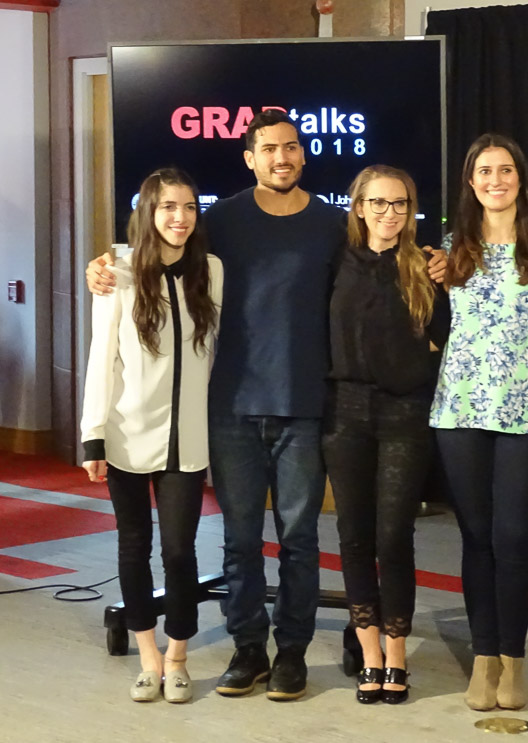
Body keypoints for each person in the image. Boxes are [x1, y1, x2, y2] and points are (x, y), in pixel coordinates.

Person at [86, 109, 447, 701]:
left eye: (291, 147)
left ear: (303, 155)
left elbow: (388, 255)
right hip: (227, 408)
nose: (282, 157)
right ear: (250, 158)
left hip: (307, 408)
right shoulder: (219, 220)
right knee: (240, 541)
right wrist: (106, 264)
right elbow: (158, 250)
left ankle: (293, 653)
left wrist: (432, 260)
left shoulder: (335, 226)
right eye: (269, 149)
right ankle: (248, 647)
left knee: (301, 539)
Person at [429, 133, 528, 711]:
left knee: (514, 537)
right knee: (476, 536)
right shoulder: (451, 246)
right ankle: (483, 655)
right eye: (484, 171)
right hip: (461, 407)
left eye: (505, 170)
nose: (495, 180)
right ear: (470, 181)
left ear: (520, 178)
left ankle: (513, 659)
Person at [81, 168, 223, 703]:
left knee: (180, 551)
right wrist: (93, 434)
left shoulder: (211, 271)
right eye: (168, 207)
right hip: (124, 436)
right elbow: (102, 357)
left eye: (188, 207)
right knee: (133, 545)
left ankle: (179, 654)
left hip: (185, 440)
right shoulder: (115, 269)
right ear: (148, 212)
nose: (179, 217)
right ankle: (148, 655)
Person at [322, 165, 449, 704]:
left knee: (394, 536)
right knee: (353, 536)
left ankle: (397, 655)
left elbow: (450, 338)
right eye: (378, 203)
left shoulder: (426, 267)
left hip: (405, 412)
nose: (389, 213)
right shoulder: (333, 261)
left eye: (400, 204)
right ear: (358, 207)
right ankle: (369, 655)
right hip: (344, 411)